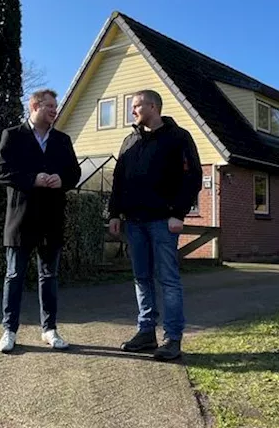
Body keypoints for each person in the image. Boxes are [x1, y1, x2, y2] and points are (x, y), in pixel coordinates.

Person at [107, 89, 202, 361]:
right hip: (134, 222)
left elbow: (192, 177)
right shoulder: (129, 141)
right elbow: (119, 180)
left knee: (168, 279)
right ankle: (146, 331)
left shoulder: (178, 138)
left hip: (163, 221)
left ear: (153, 106)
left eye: (136, 105)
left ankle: (172, 338)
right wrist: (114, 213)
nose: (132, 111)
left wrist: (179, 213)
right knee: (141, 277)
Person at [0, 88, 81, 353]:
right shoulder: (13, 135)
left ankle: (49, 330)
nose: (55, 110)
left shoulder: (63, 140)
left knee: (49, 276)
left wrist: (62, 180)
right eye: (50, 106)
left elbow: (74, 172)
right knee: (14, 275)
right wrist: (32, 179)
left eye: (56, 106)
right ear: (34, 106)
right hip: (20, 220)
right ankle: (9, 331)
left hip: (51, 220)